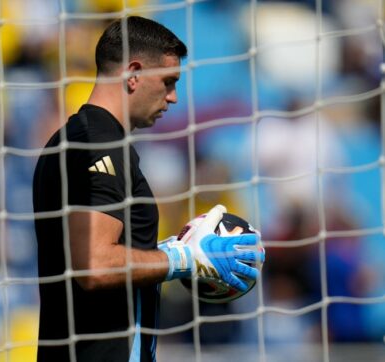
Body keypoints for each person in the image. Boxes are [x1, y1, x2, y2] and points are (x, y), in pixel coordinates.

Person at [32, 16, 264, 362]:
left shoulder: (83, 138)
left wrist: (170, 249)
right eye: (169, 82)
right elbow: (93, 265)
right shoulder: (98, 144)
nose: (173, 98)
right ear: (134, 73)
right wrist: (185, 259)